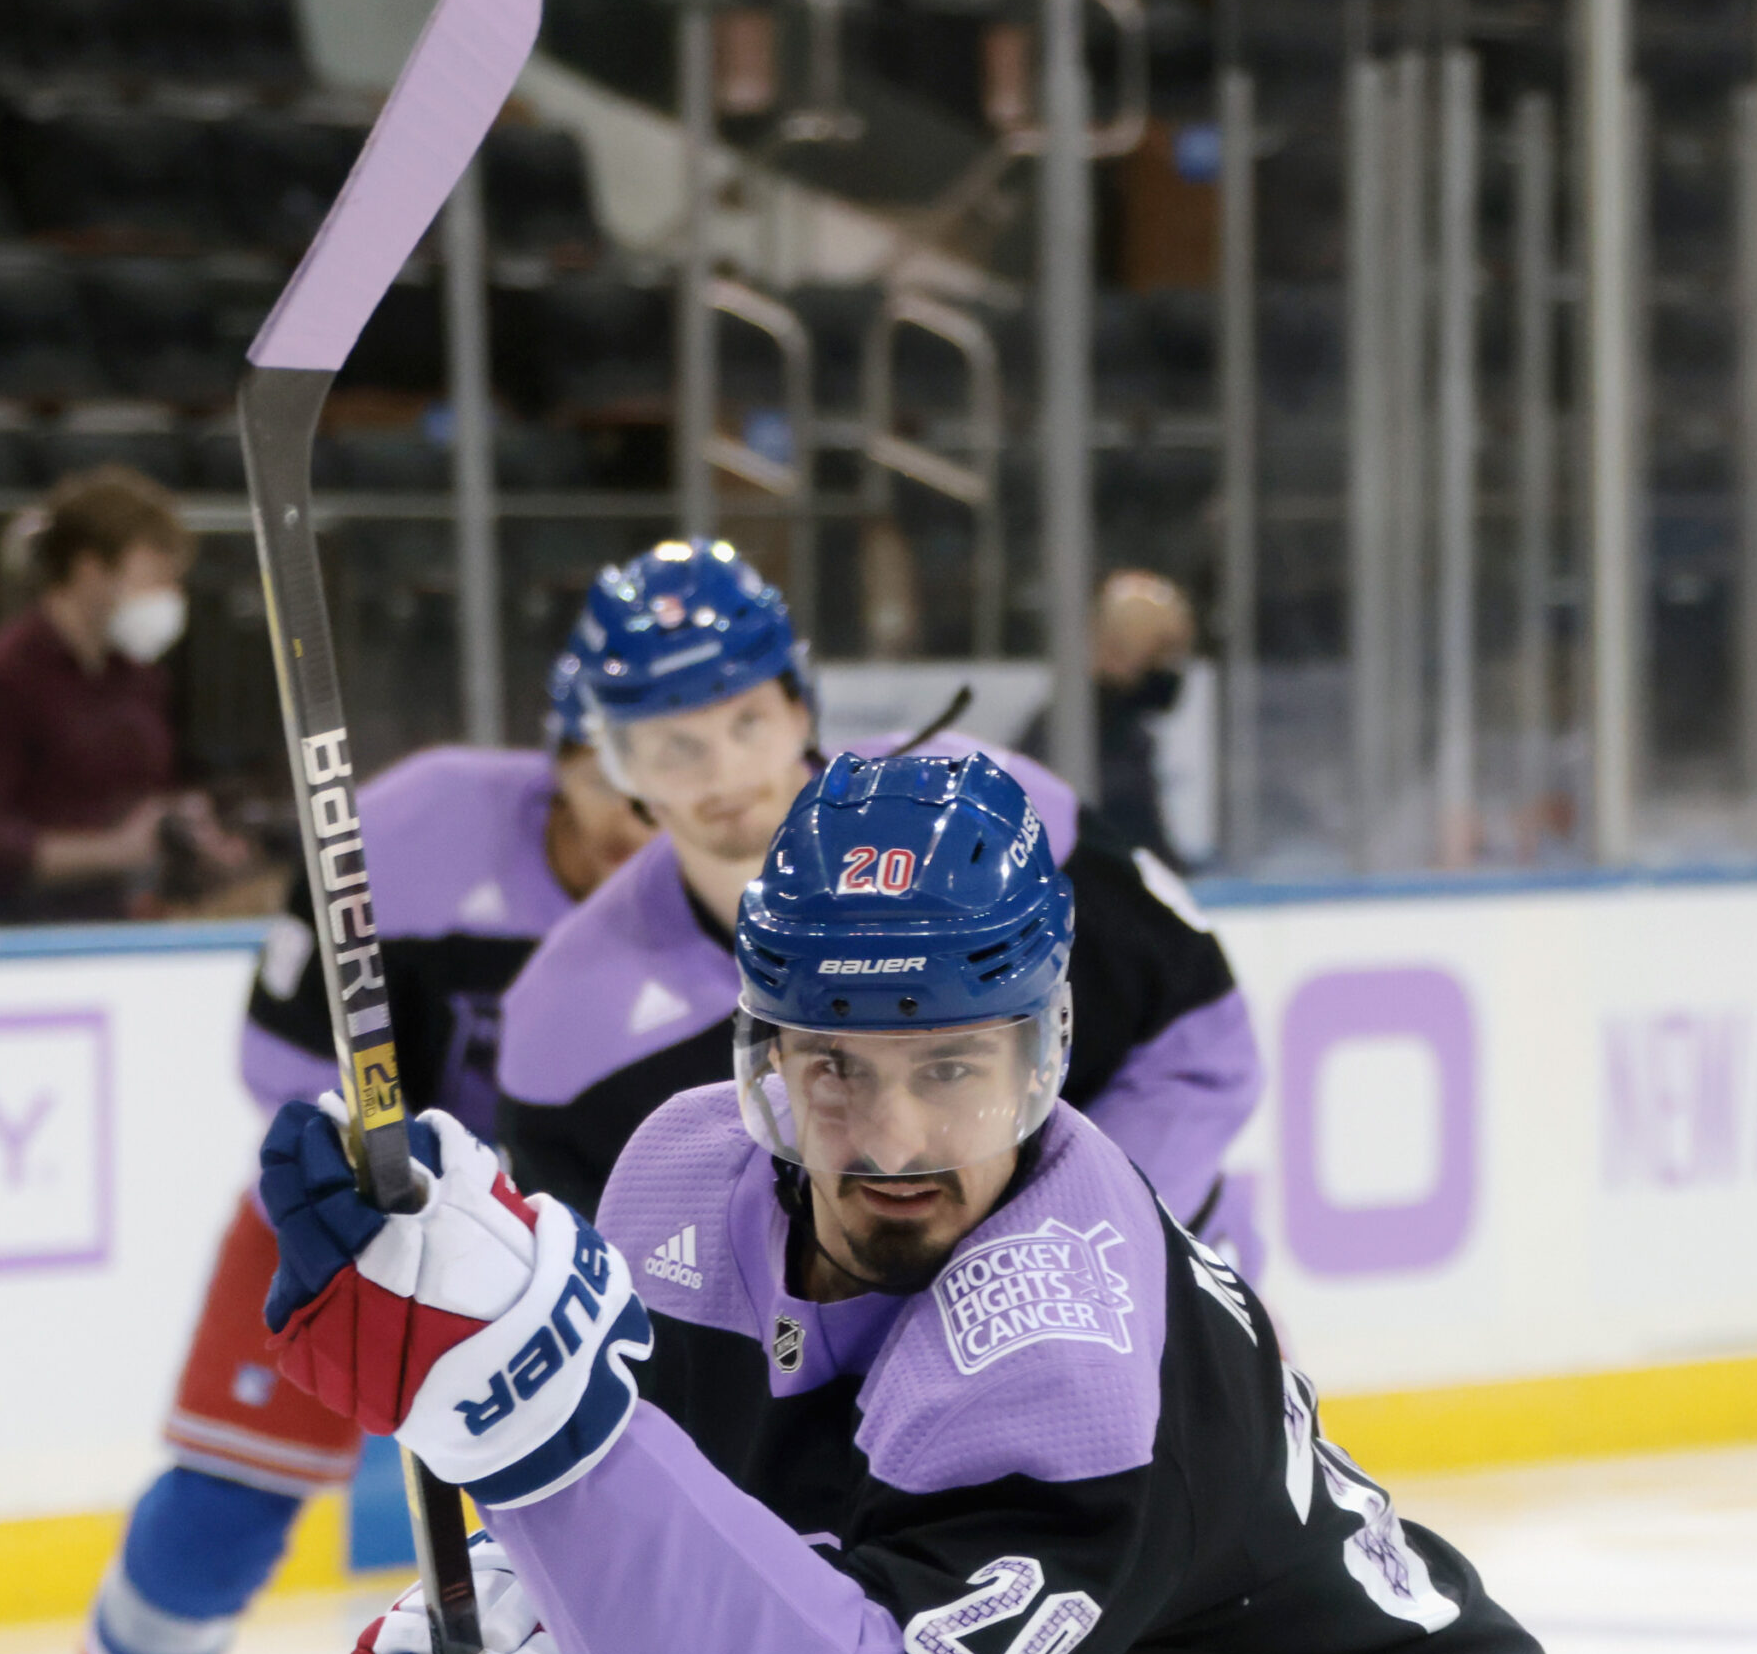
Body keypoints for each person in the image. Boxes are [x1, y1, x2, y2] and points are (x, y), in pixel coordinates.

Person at [264, 747, 1601, 1654]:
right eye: (834, 1065)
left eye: (951, 1068)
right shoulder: (676, 1193)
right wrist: (532, 1643)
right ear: (759, 1057)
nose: (892, 1143)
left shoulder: (1068, 1333)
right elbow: (711, 1530)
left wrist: (525, 1413)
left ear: (1044, 1052)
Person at [0, 652, 755, 1654]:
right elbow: (274, 1056)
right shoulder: (422, 826)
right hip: (359, 1224)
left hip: (586, 1237)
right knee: (211, 1511)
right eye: (618, 780)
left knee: (658, 1513)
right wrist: (375, 1188)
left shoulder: (727, 878)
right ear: (566, 756)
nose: (636, 824)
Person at [497, 540, 1261, 1264]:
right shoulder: (563, 1021)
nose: (723, 774)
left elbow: (1200, 1040)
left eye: (747, 722)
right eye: (675, 746)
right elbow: (621, 1297)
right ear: (620, 766)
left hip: (1144, 1302)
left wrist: (1059, 1251)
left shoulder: (991, 819)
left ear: (801, 710)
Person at [0, 466, 245, 923]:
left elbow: (141, 794)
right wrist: (115, 852)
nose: (169, 597)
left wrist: (186, 828)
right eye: (155, 579)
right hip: (36, 938)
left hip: (135, 925)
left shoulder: (139, 678)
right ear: (91, 569)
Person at [1092, 569, 1215, 870]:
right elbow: (1152, 863)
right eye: (1161, 650)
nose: (1172, 668)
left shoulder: (1129, 738)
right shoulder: (1098, 749)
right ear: (1116, 651)